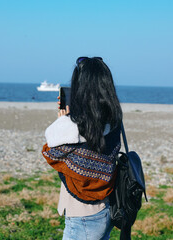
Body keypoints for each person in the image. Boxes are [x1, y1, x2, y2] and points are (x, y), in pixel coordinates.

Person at [42, 57, 123, 240]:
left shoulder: (76, 125)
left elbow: (51, 145)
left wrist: (64, 118)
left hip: (82, 214)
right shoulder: (114, 118)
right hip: (105, 206)